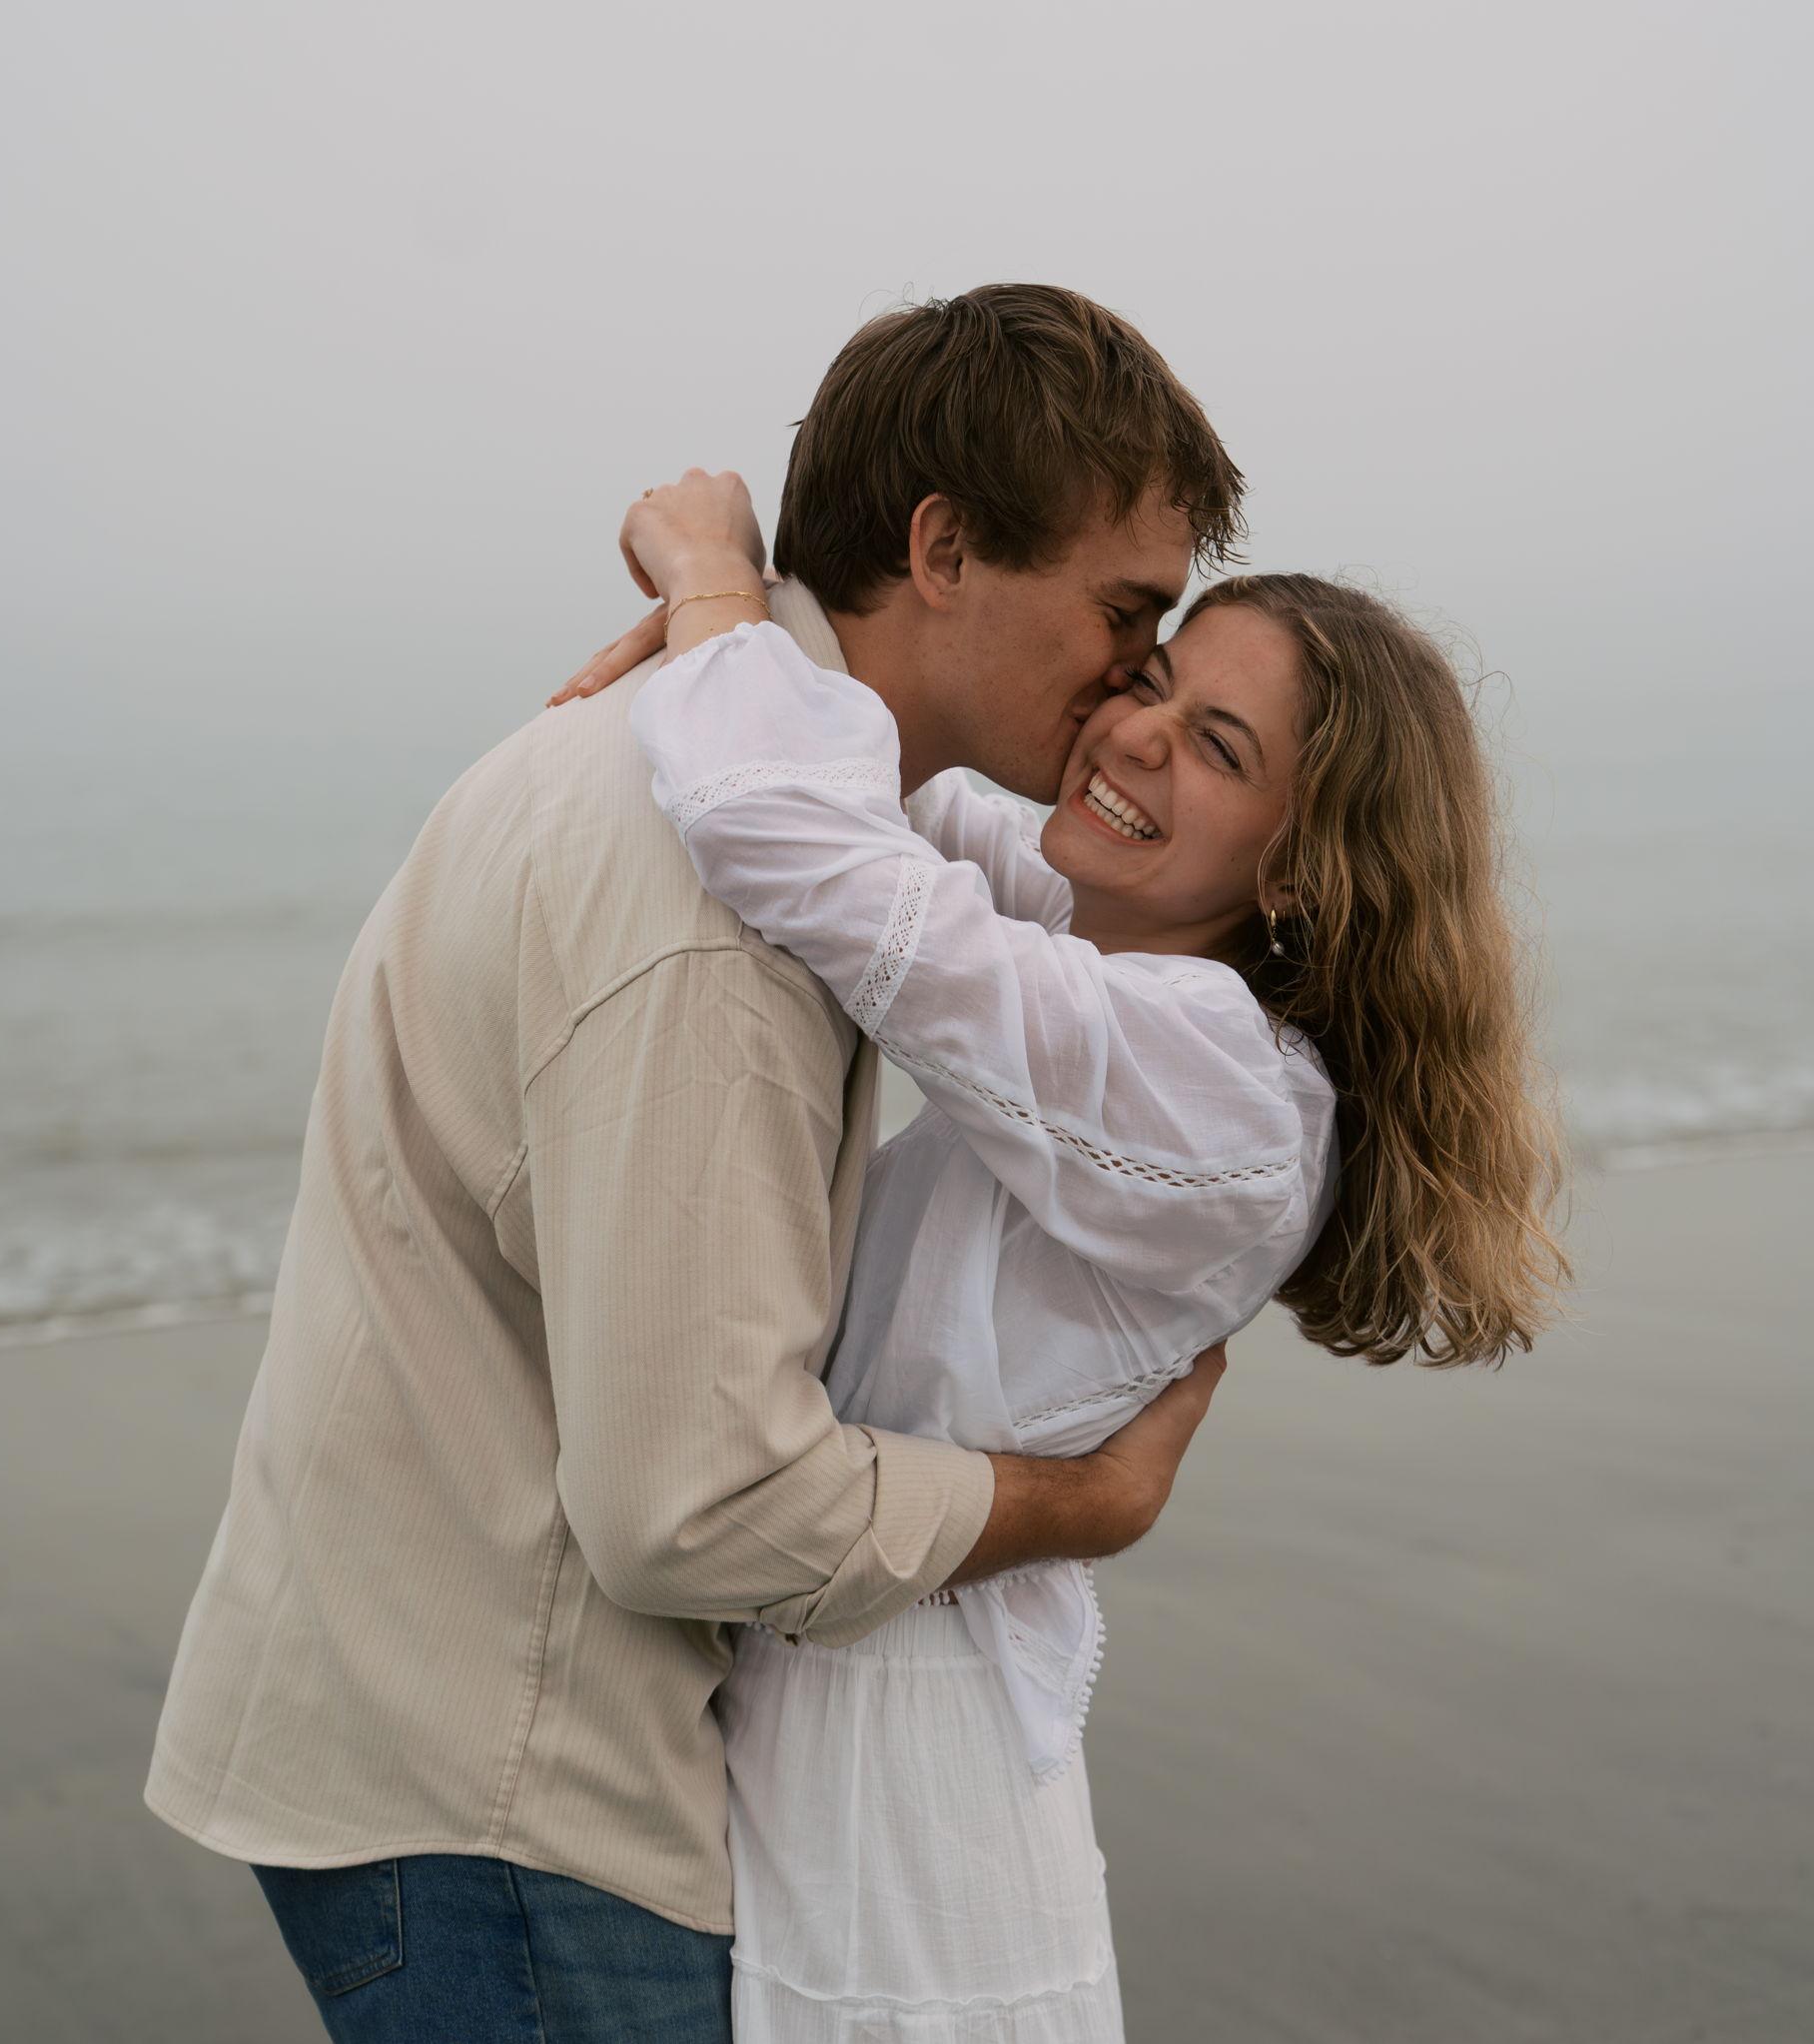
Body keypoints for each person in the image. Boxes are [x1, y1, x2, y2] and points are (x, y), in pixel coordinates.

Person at [144, 285, 1253, 2042]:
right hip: (514, 1804)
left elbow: (1045, 927)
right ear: (945, 546)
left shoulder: (763, 783)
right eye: (1126, 615)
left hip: (422, 1731)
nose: (1137, 678)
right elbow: (701, 1501)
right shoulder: (721, 906)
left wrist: (720, 599)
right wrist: (1074, 1503)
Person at [551, 470, 1568, 2040]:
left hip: (907, 1773)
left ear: (1300, 870)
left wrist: (709, 580)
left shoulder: (1214, 1075)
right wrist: (784, 654)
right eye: (1153, 678)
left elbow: (793, 828)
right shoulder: (1116, 948)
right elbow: (902, 781)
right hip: (833, 1682)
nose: (1140, 733)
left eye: (1221, 747)